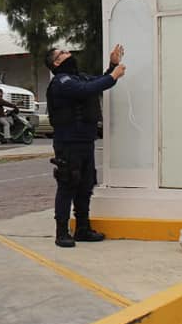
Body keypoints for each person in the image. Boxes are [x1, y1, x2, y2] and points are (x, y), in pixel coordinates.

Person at [44, 44, 126, 248]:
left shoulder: (78, 77)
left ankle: (83, 228)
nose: (68, 53)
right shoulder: (61, 83)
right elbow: (86, 90)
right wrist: (113, 76)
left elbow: (97, 82)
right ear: (56, 62)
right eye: (62, 53)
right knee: (67, 184)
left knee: (85, 186)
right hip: (68, 142)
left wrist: (112, 66)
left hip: (86, 141)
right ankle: (62, 232)